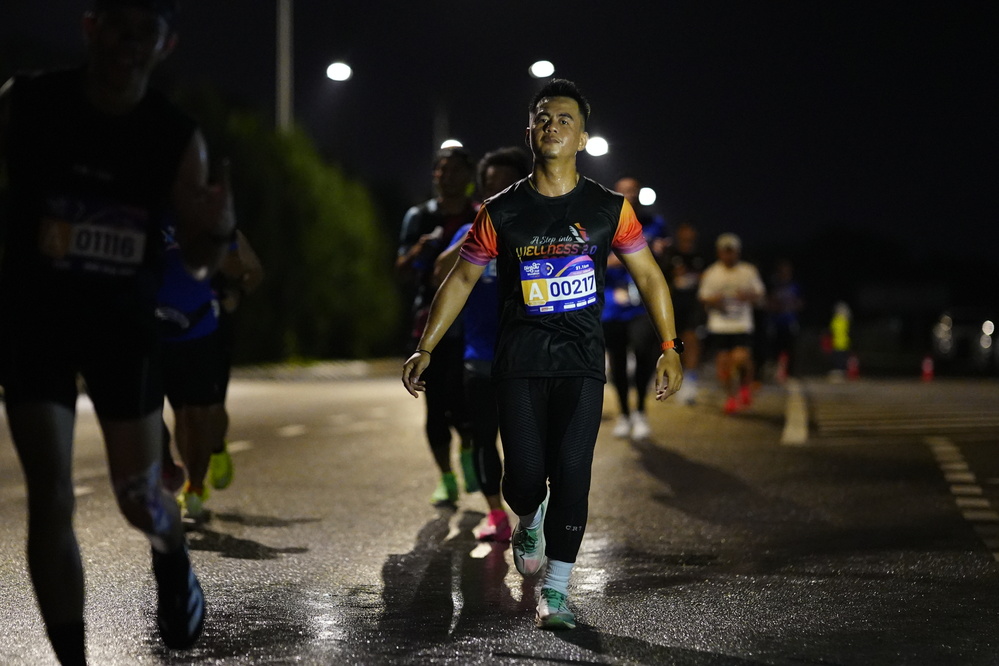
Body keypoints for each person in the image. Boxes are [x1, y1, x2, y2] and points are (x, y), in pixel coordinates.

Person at [0, 0, 234, 660]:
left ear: (165, 45)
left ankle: (172, 553)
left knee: (139, 500)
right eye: (116, 27)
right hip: (35, 319)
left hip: (121, 328)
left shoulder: (174, 135)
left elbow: (197, 263)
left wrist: (216, 232)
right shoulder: (28, 102)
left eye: (144, 33)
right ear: (90, 28)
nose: (128, 44)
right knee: (50, 498)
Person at [403, 79, 683, 630]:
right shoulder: (500, 211)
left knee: (573, 473)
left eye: (564, 119)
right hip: (520, 363)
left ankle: (556, 590)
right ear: (530, 131)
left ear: (582, 138)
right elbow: (461, 278)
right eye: (543, 118)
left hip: (581, 362)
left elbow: (649, 276)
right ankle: (528, 518)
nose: (552, 126)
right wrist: (426, 346)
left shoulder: (610, 209)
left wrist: (670, 347)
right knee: (525, 478)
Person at [433, 146, 532, 542]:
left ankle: (531, 515)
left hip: (526, 358)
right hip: (480, 357)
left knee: (526, 444)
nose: (497, 192)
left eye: (506, 184)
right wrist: (478, 226)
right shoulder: (473, 232)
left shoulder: (538, 231)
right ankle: (496, 514)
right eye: (491, 185)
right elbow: (441, 271)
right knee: (484, 439)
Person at [156, 227, 261, 520]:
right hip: (162, 327)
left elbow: (250, 270)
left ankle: (213, 451)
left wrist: (236, 289)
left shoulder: (214, 222)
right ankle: (193, 485)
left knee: (206, 412)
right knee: (181, 413)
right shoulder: (153, 217)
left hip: (208, 326)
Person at [396, 146, 479, 505]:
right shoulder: (419, 216)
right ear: (435, 175)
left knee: (468, 404)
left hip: (474, 325)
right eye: (443, 169)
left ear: (469, 176)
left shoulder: (481, 215)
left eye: (457, 169)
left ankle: (469, 453)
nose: (449, 176)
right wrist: (419, 249)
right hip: (429, 324)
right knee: (435, 407)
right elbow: (400, 271)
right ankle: (446, 477)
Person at [602, 176, 670, 440]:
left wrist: (662, 251)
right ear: (615, 193)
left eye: (633, 190)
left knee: (643, 352)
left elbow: (663, 258)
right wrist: (623, 257)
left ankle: (640, 410)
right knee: (617, 361)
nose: (629, 194)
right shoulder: (605, 222)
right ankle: (624, 414)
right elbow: (592, 259)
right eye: (624, 191)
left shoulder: (655, 223)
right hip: (613, 304)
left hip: (641, 303)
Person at [698, 233, 766, 414]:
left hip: (741, 323)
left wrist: (748, 296)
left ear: (738, 252)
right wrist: (714, 301)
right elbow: (703, 297)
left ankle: (745, 385)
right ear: (719, 252)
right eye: (725, 251)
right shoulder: (712, 273)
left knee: (741, 358)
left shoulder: (748, 271)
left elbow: (760, 293)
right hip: (719, 324)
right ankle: (730, 396)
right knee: (724, 364)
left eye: (732, 251)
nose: (728, 255)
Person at [659, 221, 708, 404]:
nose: (687, 239)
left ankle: (690, 382)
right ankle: (668, 379)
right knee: (671, 342)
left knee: (692, 341)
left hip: (693, 306)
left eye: (690, 236)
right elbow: (659, 279)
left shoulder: (700, 256)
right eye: (684, 236)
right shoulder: (670, 255)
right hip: (672, 306)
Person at [765, 258, 803, 382]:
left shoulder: (794, 286)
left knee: (791, 348)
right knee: (775, 348)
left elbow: (800, 303)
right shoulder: (774, 285)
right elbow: (768, 302)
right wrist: (776, 306)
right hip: (776, 322)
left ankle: (790, 373)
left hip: (790, 321)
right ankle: (776, 371)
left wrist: (790, 305)